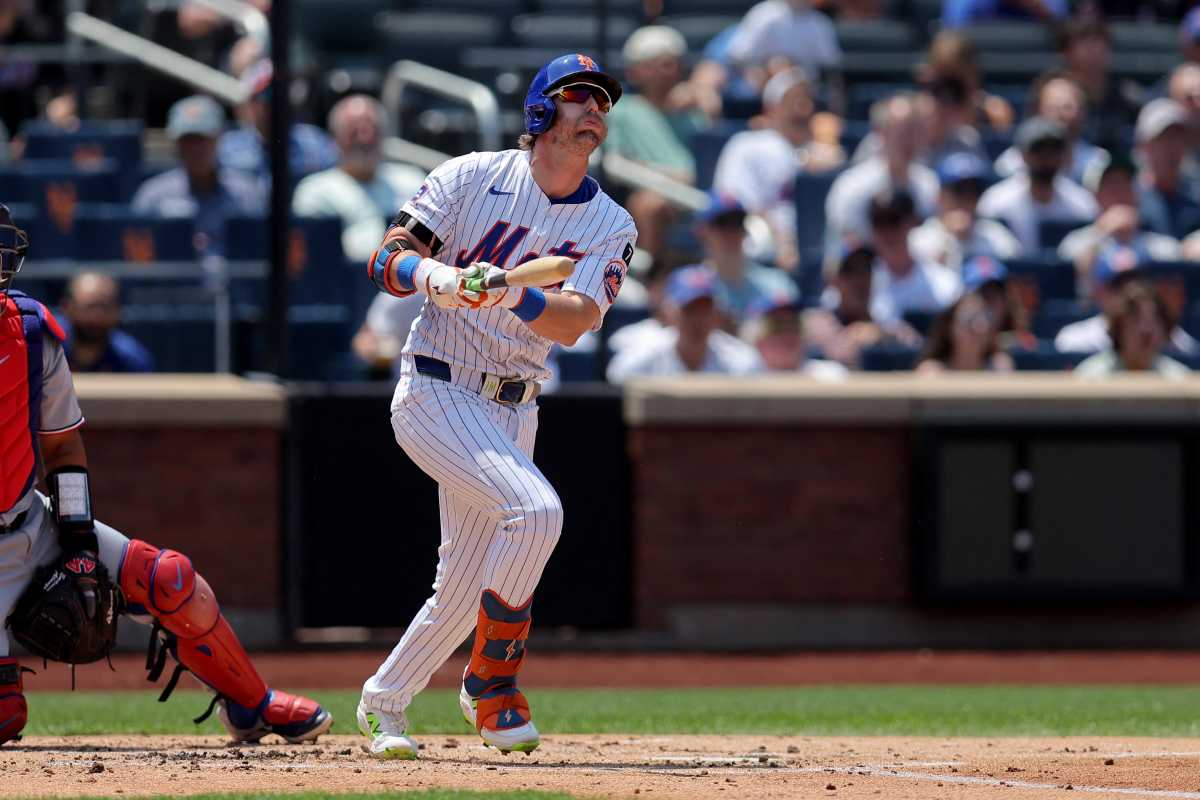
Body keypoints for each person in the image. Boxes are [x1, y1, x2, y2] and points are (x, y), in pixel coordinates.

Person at [357, 53, 638, 759]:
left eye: (602, 103)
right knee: (537, 512)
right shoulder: (470, 176)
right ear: (541, 110)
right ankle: (492, 685)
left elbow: (575, 318)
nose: (593, 112)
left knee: (458, 591)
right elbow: (387, 260)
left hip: (515, 401)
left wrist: (509, 291)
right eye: (579, 97)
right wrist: (441, 277)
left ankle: (383, 704)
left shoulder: (611, 221)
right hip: (435, 384)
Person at [0, 204, 332, 748]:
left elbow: (62, 446)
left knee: (172, 581)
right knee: (5, 715)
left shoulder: (33, 333)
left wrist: (79, 543)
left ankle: (253, 703)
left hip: (28, 522)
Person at [713, 67, 844, 271]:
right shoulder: (748, 145)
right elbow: (736, 201)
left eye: (807, 99)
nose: (803, 107)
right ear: (771, 108)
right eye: (794, 99)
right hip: (766, 241)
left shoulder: (827, 154)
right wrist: (782, 242)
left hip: (817, 245)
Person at [605, 26, 711, 260]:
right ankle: (647, 281)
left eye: (673, 63)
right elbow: (615, 163)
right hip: (652, 192)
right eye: (660, 64)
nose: (670, 70)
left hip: (697, 196)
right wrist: (665, 178)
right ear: (636, 71)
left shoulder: (693, 114)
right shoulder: (623, 111)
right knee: (649, 205)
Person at [292, 95, 425, 263]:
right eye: (354, 131)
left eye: (373, 129)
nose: (365, 138)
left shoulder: (412, 181)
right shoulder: (314, 191)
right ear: (335, 138)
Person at [131, 95, 265, 257]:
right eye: (188, 140)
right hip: (173, 281)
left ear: (218, 139)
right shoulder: (152, 195)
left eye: (202, 139)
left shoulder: (247, 193)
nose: (195, 149)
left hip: (236, 281)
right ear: (176, 143)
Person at [825, 93, 939, 259]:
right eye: (901, 131)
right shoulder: (851, 186)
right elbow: (845, 247)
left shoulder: (929, 184)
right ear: (880, 134)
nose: (908, 140)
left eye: (913, 130)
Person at [606, 265, 763, 381]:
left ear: (716, 313)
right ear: (670, 311)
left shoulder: (739, 359)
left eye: (705, 309)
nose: (698, 318)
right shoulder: (646, 355)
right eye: (689, 309)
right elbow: (617, 377)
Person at [1058, 152, 1180, 294]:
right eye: (1111, 185)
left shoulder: (1162, 246)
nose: (1120, 191)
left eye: (1125, 184)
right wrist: (1103, 231)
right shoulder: (1076, 242)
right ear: (1095, 195)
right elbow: (1077, 287)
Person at [977, 117, 1097, 255]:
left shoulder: (1081, 204)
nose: (1047, 158)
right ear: (1023, 155)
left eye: (1054, 150)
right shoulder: (996, 202)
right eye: (1038, 150)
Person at [1055, 243, 1197, 355]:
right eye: (1118, 285)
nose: (1127, 292)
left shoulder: (1173, 339)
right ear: (1098, 291)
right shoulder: (1075, 340)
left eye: (1135, 283)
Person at [218, 59, 337, 187]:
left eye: (282, 95)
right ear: (251, 104)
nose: (275, 105)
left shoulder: (317, 145)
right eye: (266, 97)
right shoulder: (228, 150)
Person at [805, 244, 922, 367]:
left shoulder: (886, 323)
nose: (859, 281)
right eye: (850, 272)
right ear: (834, 279)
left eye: (866, 270)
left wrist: (881, 335)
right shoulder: (819, 323)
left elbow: (918, 347)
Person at [692, 192, 799, 325]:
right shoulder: (692, 287)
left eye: (737, 223)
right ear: (701, 231)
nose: (731, 232)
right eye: (722, 223)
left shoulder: (777, 285)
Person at [910, 152, 1021, 273]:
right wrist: (946, 240)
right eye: (959, 191)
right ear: (940, 196)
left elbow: (1017, 277)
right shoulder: (920, 239)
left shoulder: (995, 236)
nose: (967, 199)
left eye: (974, 191)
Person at [993, 72, 1108, 187]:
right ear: (1036, 112)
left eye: (1067, 107)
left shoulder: (1099, 163)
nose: (1060, 115)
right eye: (1052, 107)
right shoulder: (1012, 164)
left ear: (1083, 112)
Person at [866, 189, 962, 325]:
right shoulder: (860, 284)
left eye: (893, 220)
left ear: (912, 223)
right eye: (878, 222)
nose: (886, 231)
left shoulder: (945, 285)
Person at [1075, 280, 1190, 378]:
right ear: (1119, 327)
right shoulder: (1089, 376)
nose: (1146, 329)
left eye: (1154, 321)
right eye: (1136, 320)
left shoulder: (1179, 379)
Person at [1057, 17, 1142, 147]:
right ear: (1067, 52)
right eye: (1085, 43)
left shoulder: (1128, 96)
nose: (1094, 50)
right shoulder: (1057, 97)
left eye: (1099, 42)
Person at [724, 0, 842, 90]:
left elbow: (831, 67)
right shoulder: (764, 14)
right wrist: (768, 68)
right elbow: (738, 56)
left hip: (807, 89)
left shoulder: (821, 23)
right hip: (763, 87)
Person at [59, 272, 154, 373]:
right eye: (89, 307)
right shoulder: (46, 349)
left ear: (118, 311)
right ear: (67, 307)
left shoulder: (132, 359)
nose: (96, 316)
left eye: (105, 307)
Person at [1134, 98, 1200, 241]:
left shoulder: (1196, 195)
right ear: (1143, 145)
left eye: (1178, 137)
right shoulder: (1128, 196)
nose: (1172, 146)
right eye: (1163, 138)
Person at [741, 292, 846, 379]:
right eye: (777, 327)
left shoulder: (830, 376)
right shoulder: (742, 378)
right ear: (756, 338)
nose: (788, 335)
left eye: (794, 325)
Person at [915, 288, 1015, 374]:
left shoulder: (999, 368)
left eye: (984, 319)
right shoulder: (932, 372)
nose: (977, 328)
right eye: (969, 320)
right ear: (951, 328)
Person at [941, 0, 1067, 27]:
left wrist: (1036, 6)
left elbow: (1063, 24)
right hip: (979, 69)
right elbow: (953, 24)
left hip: (1039, 73)